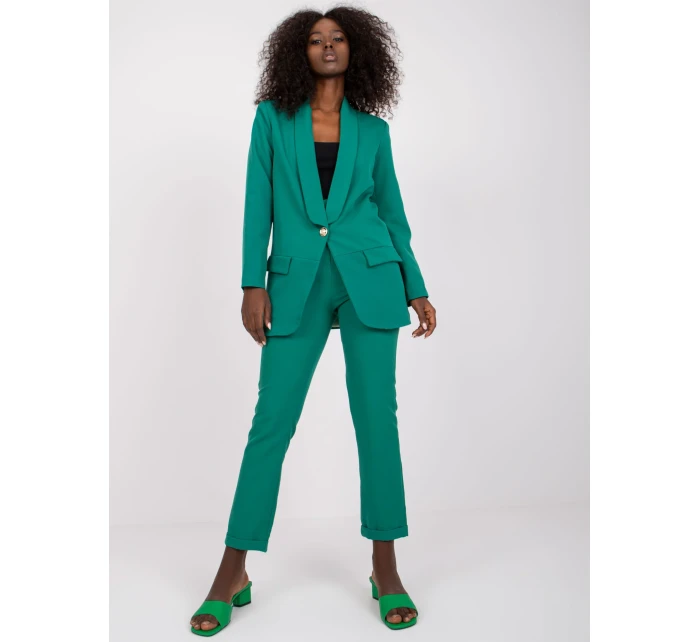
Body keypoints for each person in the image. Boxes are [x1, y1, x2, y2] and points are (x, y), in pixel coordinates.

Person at [190, 5, 437, 635]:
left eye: (339, 38)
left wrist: (415, 286)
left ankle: (385, 566)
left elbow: (393, 213)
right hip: (294, 283)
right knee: (271, 423)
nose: (328, 46)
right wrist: (252, 282)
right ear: (297, 53)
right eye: (315, 39)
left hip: (371, 280)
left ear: (358, 51)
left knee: (377, 422)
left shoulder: (373, 131)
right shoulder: (272, 120)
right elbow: (258, 204)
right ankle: (232, 570)